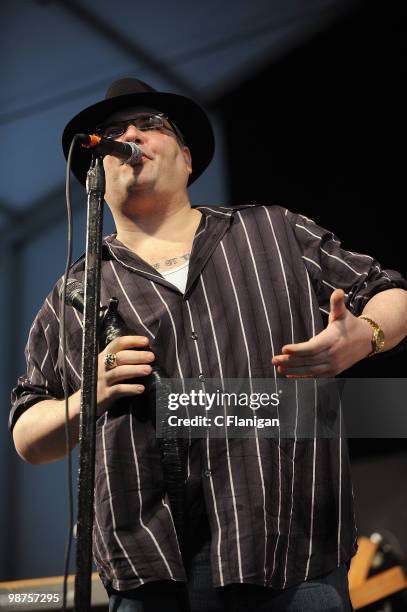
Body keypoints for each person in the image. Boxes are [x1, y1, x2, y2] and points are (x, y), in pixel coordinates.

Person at [10, 78, 407, 612]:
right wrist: (90, 395)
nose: (130, 136)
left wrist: (368, 334)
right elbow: (28, 435)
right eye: (113, 133)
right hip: (150, 567)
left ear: (188, 158)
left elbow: (388, 292)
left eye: (149, 125)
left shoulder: (273, 230)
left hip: (291, 549)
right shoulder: (77, 289)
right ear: (96, 173)